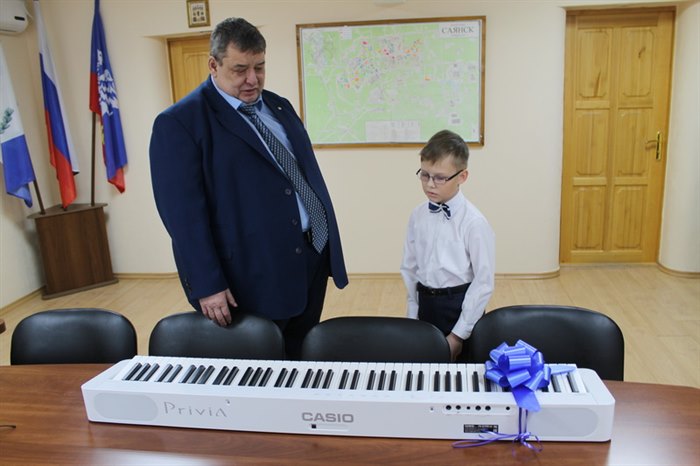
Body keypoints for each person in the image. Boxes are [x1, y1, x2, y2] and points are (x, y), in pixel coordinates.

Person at [149, 17, 348, 359]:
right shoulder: (180, 123)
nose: (252, 79)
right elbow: (183, 217)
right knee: (261, 365)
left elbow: (298, 176)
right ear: (213, 65)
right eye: (240, 69)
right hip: (250, 272)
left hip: (309, 256)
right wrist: (207, 284)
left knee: (301, 355)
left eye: (260, 67)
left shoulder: (279, 106)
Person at [400, 130, 495, 361]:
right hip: (426, 304)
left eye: (440, 178)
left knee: (460, 372)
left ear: (462, 176)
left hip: (460, 309)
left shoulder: (474, 222)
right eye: (425, 175)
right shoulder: (417, 216)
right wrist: (412, 317)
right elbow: (410, 269)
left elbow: (483, 282)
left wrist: (458, 336)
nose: (430, 184)